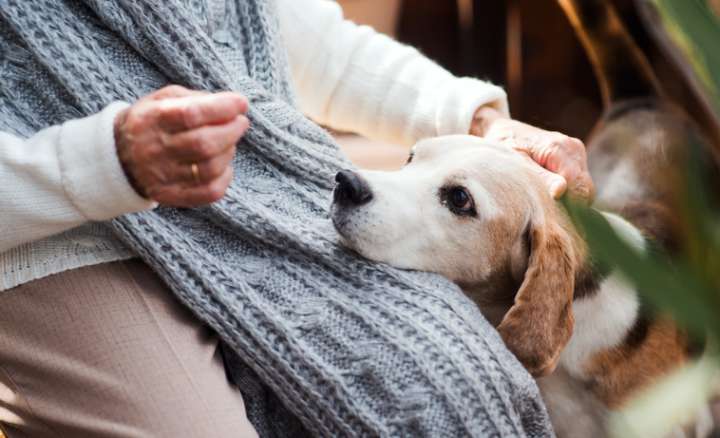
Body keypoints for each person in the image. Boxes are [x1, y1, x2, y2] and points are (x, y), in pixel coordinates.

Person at [0, 0, 593, 436]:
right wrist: (106, 163)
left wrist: (479, 122)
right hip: (62, 238)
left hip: (262, 201)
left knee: (459, 385)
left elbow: (308, 43)